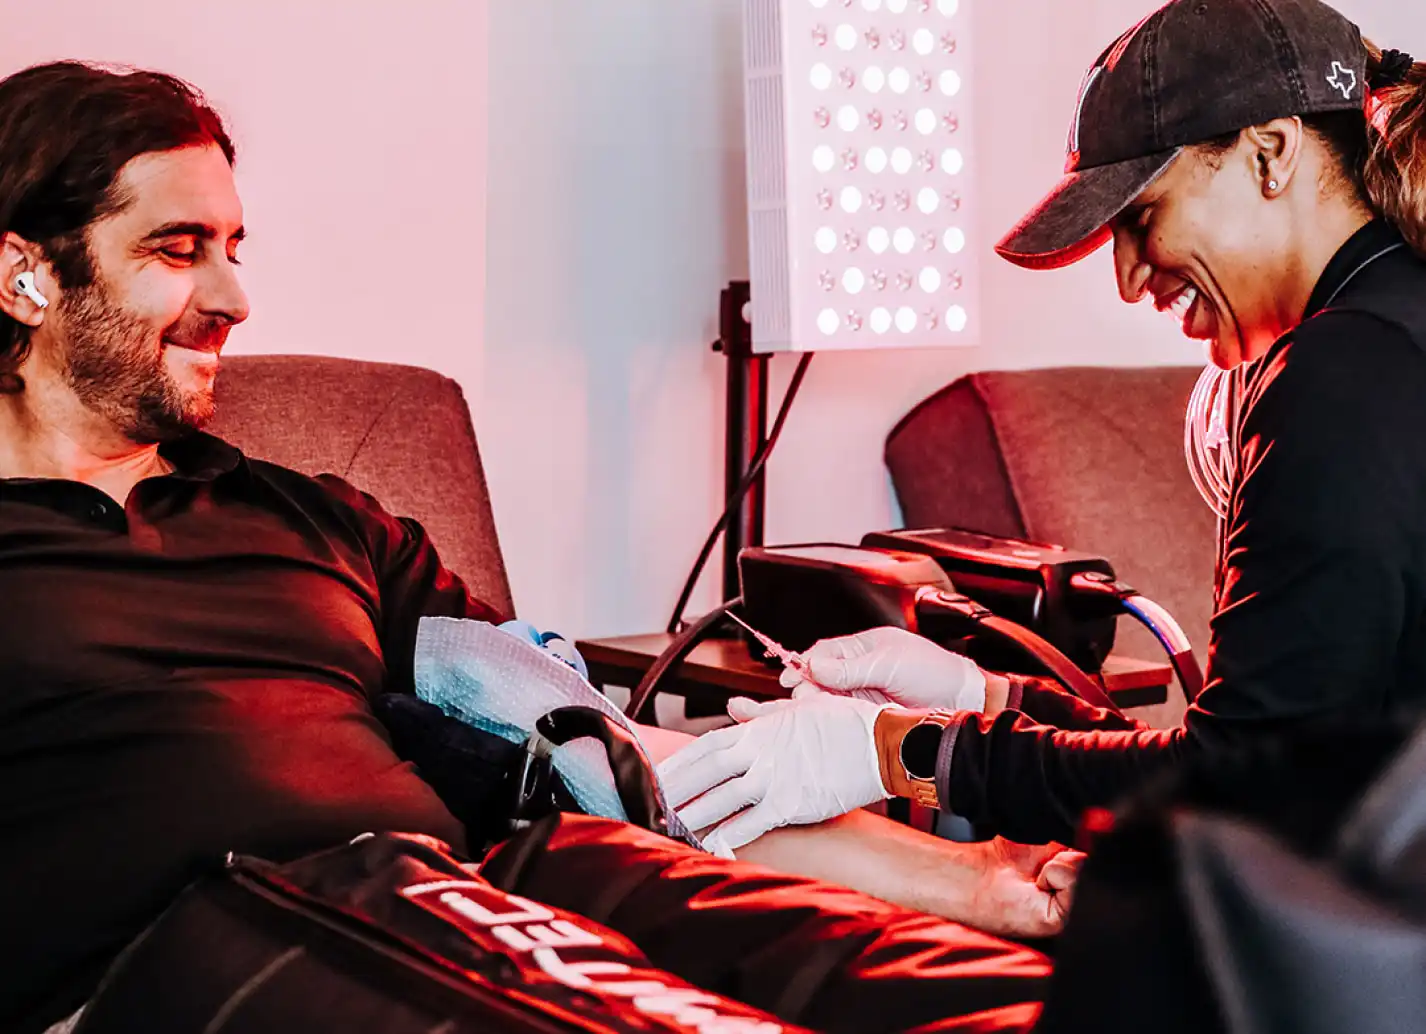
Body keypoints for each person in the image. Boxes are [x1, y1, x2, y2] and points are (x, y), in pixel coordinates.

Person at [0, 61, 1081, 1034]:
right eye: (177, 250)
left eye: (233, 248)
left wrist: (991, 878)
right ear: (26, 276)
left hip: (499, 884)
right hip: (192, 953)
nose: (235, 297)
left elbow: (613, 763)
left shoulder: (316, 518)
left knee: (1034, 1001)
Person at [661, 0, 1426, 854]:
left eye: (1141, 216)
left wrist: (900, 755)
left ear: (1269, 153)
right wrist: (985, 701)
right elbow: (1283, 751)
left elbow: (1237, 793)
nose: (1131, 280)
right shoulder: (1389, 332)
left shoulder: (1345, 373)